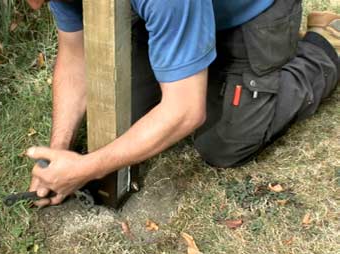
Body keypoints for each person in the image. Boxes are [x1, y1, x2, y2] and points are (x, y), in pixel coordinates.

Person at [25, 0, 339, 207]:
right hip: (190, 10)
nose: (34, 5)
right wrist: (59, 150)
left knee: (224, 143)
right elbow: (75, 53)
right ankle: (197, 58)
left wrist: (86, 169)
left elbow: (186, 111)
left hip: (250, 14)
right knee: (123, 117)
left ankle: (323, 45)